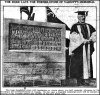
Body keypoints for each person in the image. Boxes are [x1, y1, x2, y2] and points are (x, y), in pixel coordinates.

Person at [69, 11, 96, 80]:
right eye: (81, 16)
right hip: (79, 49)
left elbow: (95, 34)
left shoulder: (89, 26)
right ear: (78, 17)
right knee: (78, 63)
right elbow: (72, 36)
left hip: (88, 47)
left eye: (84, 16)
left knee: (88, 61)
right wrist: (82, 40)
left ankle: (88, 78)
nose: (83, 17)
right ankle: (77, 78)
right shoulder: (74, 26)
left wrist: (91, 39)